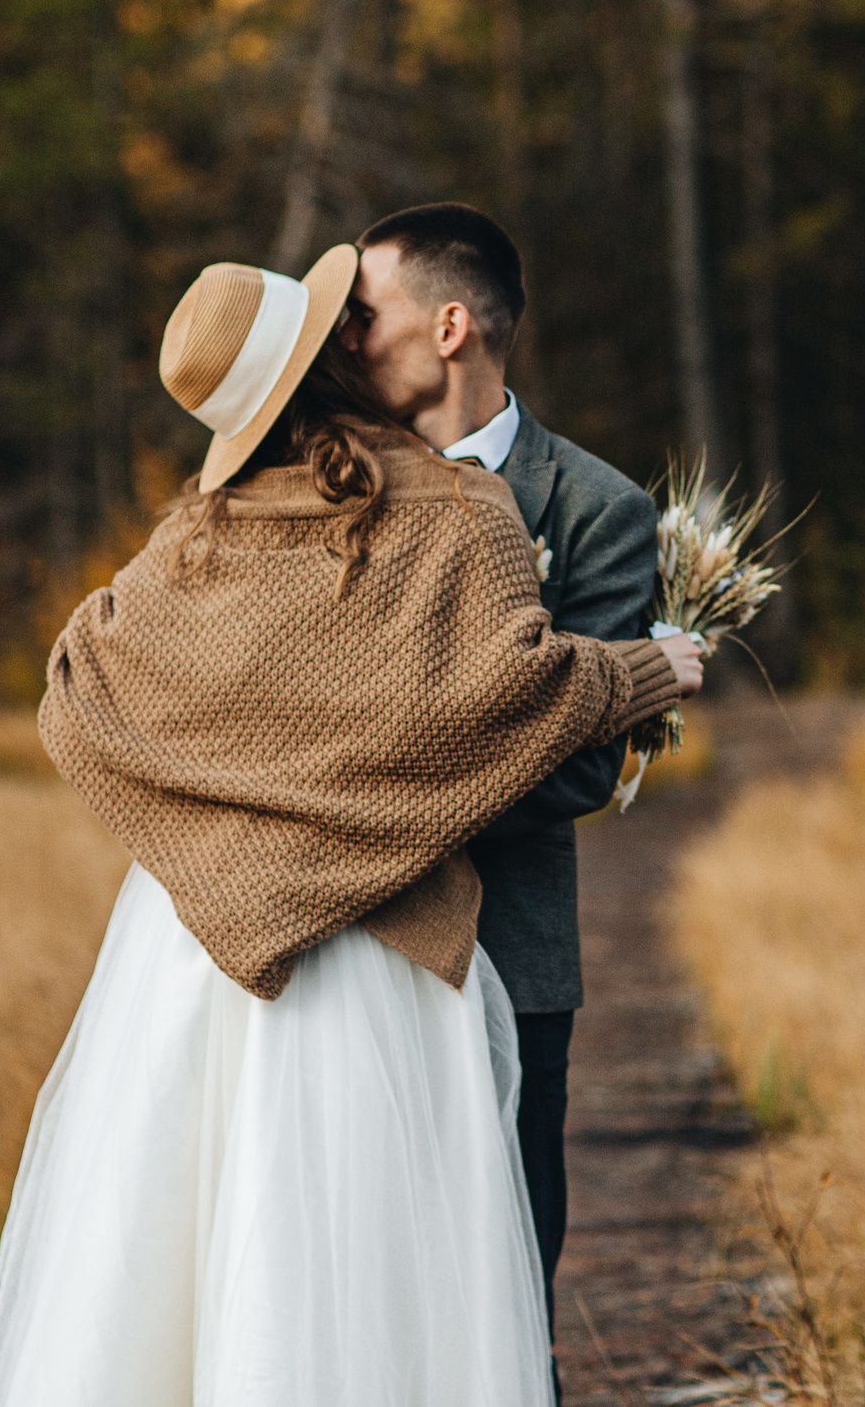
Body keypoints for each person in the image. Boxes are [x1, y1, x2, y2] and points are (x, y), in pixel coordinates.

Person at [0, 241, 703, 1407]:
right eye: (336, 322)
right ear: (326, 362)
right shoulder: (461, 509)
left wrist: (215, 831)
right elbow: (501, 700)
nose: (356, 332)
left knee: (178, 1271)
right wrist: (638, 675)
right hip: (386, 958)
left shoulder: (196, 533)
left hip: (188, 949)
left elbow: (76, 696)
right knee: (398, 1285)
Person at [334, 202, 659, 1370]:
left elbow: (576, 764)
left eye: (366, 316)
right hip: (337, 966)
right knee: (350, 1293)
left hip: (506, 961)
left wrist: (356, 786)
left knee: (503, 1304)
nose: (348, 340)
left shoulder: (594, 507)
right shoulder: (326, 484)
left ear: (453, 325)